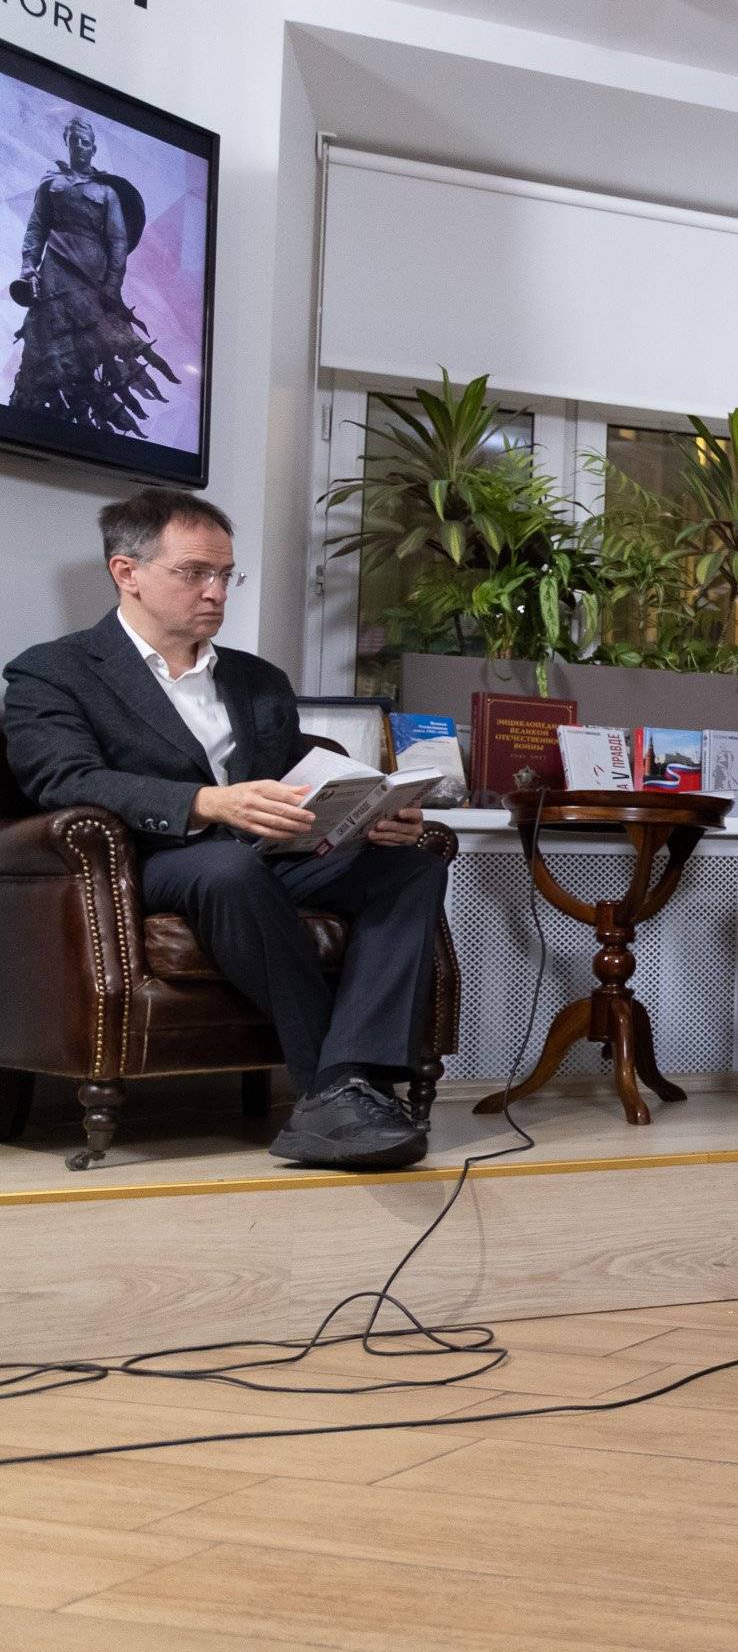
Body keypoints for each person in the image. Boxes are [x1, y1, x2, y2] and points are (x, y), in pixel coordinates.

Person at [3, 489, 448, 1170]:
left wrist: (371, 812)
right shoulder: (53, 671)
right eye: (194, 573)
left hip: (264, 853)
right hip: (151, 861)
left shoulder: (256, 679)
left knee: (410, 865)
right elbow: (64, 779)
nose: (215, 592)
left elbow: (297, 777)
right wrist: (207, 803)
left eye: (225, 574)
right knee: (226, 868)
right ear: (127, 572)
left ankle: (348, 1080)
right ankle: (335, 1092)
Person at [11, 117, 179, 435]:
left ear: (94, 148)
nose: (80, 146)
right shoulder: (51, 186)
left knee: (91, 352)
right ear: (68, 144)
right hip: (52, 280)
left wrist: (111, 285)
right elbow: (36, 228)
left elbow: (118, 242)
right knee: (42, 349)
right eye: (74, 141)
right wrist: (28, 267)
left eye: (85, 142)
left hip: (92, 286)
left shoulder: (107, 192)